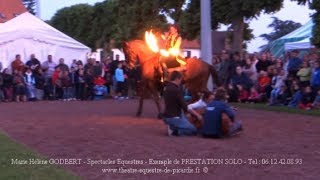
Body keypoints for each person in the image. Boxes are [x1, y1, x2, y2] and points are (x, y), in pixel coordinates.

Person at [162, 71, 197, 136]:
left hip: (167, 115)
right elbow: (184, 105)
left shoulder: (166, 88)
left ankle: (173, 127)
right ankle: (175, 131)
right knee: (193, 130)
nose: (180, 82)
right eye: (180, 79)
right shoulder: (176, 90)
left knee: (185, 119)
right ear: (177, 79)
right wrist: (190, 113)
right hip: (174, 117)